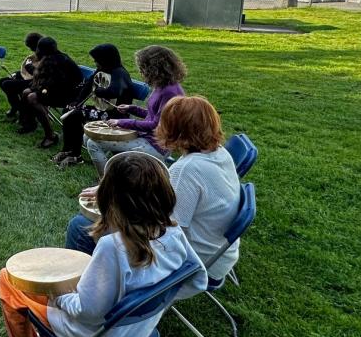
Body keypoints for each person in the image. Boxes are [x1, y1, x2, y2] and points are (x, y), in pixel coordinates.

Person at [0, 152, 207, 337]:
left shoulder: (113, 247)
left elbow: (87, 313)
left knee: (8, 279)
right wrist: (156, 300)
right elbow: (199, 280)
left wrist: (57, 294)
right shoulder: (173, 233)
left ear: (110, 198)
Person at [67, 98, 240, 281]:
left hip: (192, 261)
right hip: (217, 254)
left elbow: (166, 229)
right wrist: (115, 187)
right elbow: (169, 196)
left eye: (164, 123)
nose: (159, 127)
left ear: (178, 130)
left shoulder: (187, 169)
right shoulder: (218, 152)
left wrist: (115, 199)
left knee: (80, 227)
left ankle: (83, 286)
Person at [84, 45, 186, 174]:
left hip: (156, 145)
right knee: (87, 137)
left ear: (153, 68)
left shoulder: (170, 92)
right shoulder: (162, 85)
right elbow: (153, 115)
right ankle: (118, 172)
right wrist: (132, 109)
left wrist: (121, 122)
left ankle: (107, 181)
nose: (141, 71)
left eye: (143, 68)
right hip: (147, 137)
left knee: (93, 144)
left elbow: (156, 125)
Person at [54, 43, 137, 169]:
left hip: (115, 115)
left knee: (75, 115)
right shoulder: (102, 70)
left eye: (97, 60)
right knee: (69, 111)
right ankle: (68, 150)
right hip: (102, 111)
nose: (95, 62)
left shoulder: (119, 73)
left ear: (105, 59)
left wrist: (99, 91)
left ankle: (76, 155)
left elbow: (114, 91)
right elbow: (88, 86)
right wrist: (77, 102)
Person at [17, 36, 82, 147]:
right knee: (26, 92)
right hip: (56, 90)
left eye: (38, 48)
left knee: (32, 97)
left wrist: (31, 70)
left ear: (43, 50)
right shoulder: (51, 57)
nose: (36, 51)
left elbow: (55, 83)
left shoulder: (59, 61)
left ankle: (50, 136)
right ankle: (30, 124)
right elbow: (45, 79)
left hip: (69, 95)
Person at [0, 32, 42, 119]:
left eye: (31, 47)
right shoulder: (37, 54)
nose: (31, 50)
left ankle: (20, 109)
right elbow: (27, 69)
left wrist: (29, 66)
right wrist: (18, 73)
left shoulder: (44, 55)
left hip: (37, 82)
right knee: (2, 81)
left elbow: (37, 73)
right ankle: (16, 107)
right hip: (30, 77)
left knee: (7, 84)